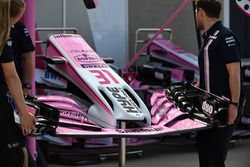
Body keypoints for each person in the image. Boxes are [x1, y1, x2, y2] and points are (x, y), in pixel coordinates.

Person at [195, 0, 241, 167]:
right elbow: (211, 71)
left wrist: (233, 106)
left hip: (223, 109)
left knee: (214, 160)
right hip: (207, 109)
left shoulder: (224, 36)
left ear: (200, 12)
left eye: (196, 13)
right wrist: (197, 86)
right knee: (205, 157)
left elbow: (234, 72)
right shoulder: (209, 38)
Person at [0, 0, 36, 167]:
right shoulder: (2, 34)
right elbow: (10, 75)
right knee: (18, 154)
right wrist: (24, 114)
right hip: (3, 104)